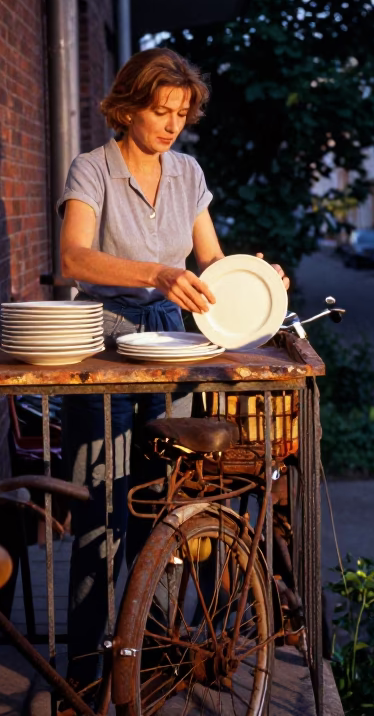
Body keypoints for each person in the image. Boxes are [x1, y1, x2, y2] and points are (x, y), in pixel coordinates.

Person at [55, 48, 288, 692]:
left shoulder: (187, 174)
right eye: (161, 111)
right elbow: (73, 258)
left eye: (181, 114)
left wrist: (257, 281)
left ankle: (155, 657)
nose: (171, 125)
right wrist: (155, 274)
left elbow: (210, 264)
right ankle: (87, 676)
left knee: (168, 511)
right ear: (127, 106)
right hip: (102, 351)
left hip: (175, 355)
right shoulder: (92, 169)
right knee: (101, 515)